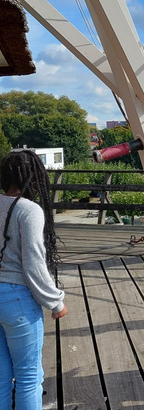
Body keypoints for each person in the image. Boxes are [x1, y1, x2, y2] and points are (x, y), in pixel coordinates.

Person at [0, 149, 67, 409]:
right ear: (33, 178)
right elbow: (34, 263)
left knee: (2, 378)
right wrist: (55, 302)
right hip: (17, 299)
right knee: (28, 377)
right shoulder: (29, 210)